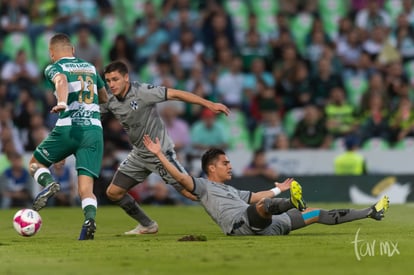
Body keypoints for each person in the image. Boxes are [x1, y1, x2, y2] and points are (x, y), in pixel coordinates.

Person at [142, 135, 390, 236]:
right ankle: (291, 203)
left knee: (315, 214)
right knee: (264, 205)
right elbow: (181, 178)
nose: (230, 166)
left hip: (268, 226)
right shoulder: (204, 186)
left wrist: (279, 187)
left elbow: (254, 195)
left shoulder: (231, 190)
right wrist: (159, 155)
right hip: (241, 227)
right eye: (225, 163)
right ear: (211, 168)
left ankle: (371, 211)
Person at [101, 60, 229, 235]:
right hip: (139, 154)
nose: (111, 84)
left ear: (126, 78)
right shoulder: (109, 99)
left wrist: (209, 104)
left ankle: (232, 210)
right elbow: (90, 115)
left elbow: (176, 94)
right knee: (114, 192)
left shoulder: (142, 92)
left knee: (190, 193)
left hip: (160, 152)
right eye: (108, 81)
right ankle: (147, 225)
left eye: (115, 79)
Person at [28, 33, 108, 240]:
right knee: (85, 189)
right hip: (93, 130)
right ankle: (89, 220)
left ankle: (48, 183)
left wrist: (63, 102)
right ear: (72, 50)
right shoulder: (91, 67)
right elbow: (105, 98)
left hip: (69, 127)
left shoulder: (53, 67)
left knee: (35, 164)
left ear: (52, 53)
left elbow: (61, 81)